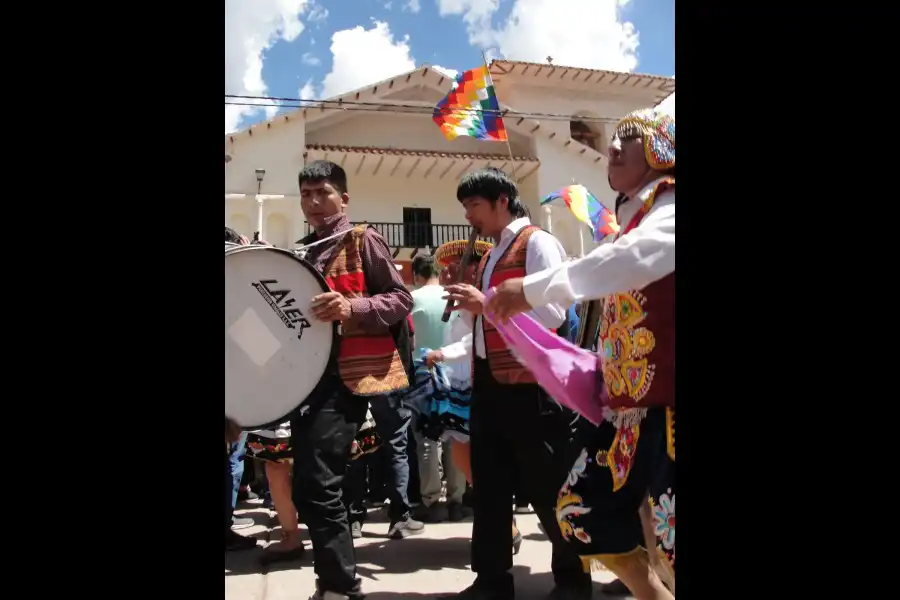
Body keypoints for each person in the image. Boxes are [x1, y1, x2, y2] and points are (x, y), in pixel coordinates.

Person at [485, 109, 676, 600]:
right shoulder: (635, 217)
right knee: (581, 511)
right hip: (631, 409)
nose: (612, 148)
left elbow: (632, 262)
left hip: (670, 406)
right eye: (612, 139)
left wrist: (531, 289)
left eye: (628, 139)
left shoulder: (669, 208)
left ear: (661, 150)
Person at [440, 167, 593, 600]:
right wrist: (471, 305)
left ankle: (573, 579)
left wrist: (485, 303)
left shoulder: (538, 243)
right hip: (490, 383)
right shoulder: (489, 256)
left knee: (548, 485)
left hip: (532, 386)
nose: (469, 215)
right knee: (488, 486)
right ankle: (491, 580)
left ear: (502, 200)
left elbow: (554, 313)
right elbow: (488, 323)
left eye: (474, 205)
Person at [293, 160, 415, 600]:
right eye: (306, 194)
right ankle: (334, 582)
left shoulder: (364, 239)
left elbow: (402, 299)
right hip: (307, 380)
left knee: (320, 482)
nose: (313, 202)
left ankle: (341, 588)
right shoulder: (303, 252)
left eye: (322, 192)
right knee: (310, 484)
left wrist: (351, 309)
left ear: (343, 198)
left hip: (347, 377)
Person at [408, 254, 469, 523]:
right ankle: (457, 499)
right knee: (456, 435)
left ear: (417, 275)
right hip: (454, 371)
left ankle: (431, 500)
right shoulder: (453, 297)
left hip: (423, 371)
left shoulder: (413, 299)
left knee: (427, 439)